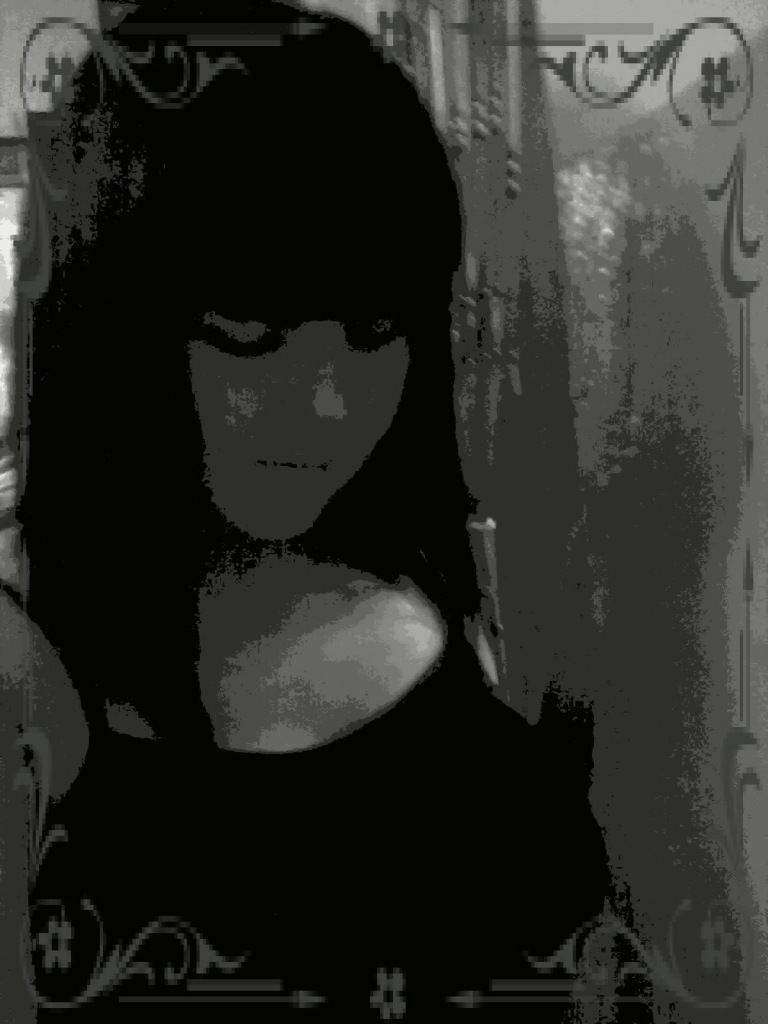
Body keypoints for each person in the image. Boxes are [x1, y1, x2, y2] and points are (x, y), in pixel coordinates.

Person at [6, 0, 611, 1012]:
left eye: (375, 331)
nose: (328, 408)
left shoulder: (471, 760)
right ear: (114, 331)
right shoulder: (31, 674)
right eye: (248, 334)